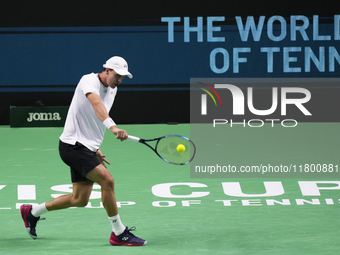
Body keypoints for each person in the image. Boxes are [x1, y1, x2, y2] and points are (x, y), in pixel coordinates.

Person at [20, 56, 147, 246]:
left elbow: (93, 118)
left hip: (86, 148)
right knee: (108, 181)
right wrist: (113, 128)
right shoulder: (88, 80)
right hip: (73, 145)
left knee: (80, 199)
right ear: (106, 70)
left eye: (123, 77)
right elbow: (96, 105)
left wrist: (95, 148)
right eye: (117, 75)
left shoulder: (113, 89)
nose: (120, 80)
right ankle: (118, 233)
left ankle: (32, 212)